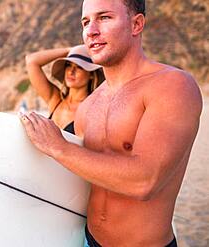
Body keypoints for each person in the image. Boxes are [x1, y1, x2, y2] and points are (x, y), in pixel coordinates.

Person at [20, 0, 203, 246]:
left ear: (136, 24)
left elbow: (145, 181)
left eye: (104, 18)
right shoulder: (88, 107)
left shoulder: (172, 86)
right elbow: (79, 179)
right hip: (88, 240)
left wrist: (58, 147)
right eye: (85, 22)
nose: (91, 31)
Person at [25, 45, 104, 135]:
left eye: (79, 67)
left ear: (91, 75)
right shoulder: (56, 100)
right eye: (68, 65)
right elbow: (31, 61)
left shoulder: (92, 109)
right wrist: (69, 50)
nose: (71, 71)